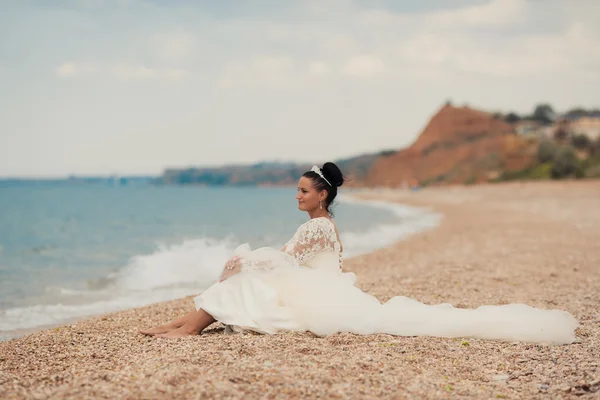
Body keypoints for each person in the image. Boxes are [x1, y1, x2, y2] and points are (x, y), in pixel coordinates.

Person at [140, 162, 578, 345]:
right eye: (296, 189)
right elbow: (299, 260)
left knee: (242, 279)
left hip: (320, 296)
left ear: (321, 195)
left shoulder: (315, 226)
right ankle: (181, 325)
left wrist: (239, 260)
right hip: (323, 288)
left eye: (302, 191)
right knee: (242, 278)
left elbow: (284, 256)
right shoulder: (325, 225)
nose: (296, 195)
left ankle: (184, 328)